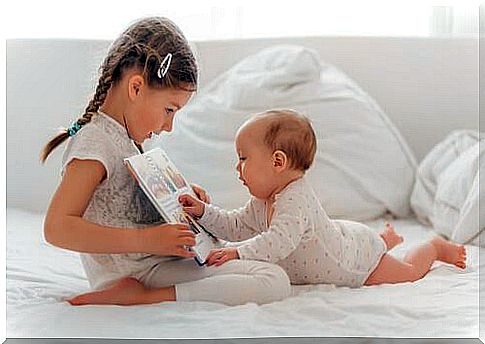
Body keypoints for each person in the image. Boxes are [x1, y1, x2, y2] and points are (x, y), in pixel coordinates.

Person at [41, 17, 291, 306]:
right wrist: (148, 240)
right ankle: (141, 298)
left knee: (271, 271)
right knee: (273, 281)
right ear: (136, 88)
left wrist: (182, 204)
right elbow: (56, 228)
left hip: (158, 262)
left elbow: (126, 210)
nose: (169, 125)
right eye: (169, 109)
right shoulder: (95, 142)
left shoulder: (126, 140)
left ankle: (148, 292)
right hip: (142, 271)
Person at [179, 109, 467, 287]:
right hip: (343, 236)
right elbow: (235, 225)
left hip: (351, 261)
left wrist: (237, 253)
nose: (237, 167)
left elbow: (278, 242)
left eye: (243, 158)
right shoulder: (263, 201)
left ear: (278, 162)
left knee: (408, 272)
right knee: (371, 242)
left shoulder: (295, 199)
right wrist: (203, 211)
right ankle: (385, 239)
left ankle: (434, 247)